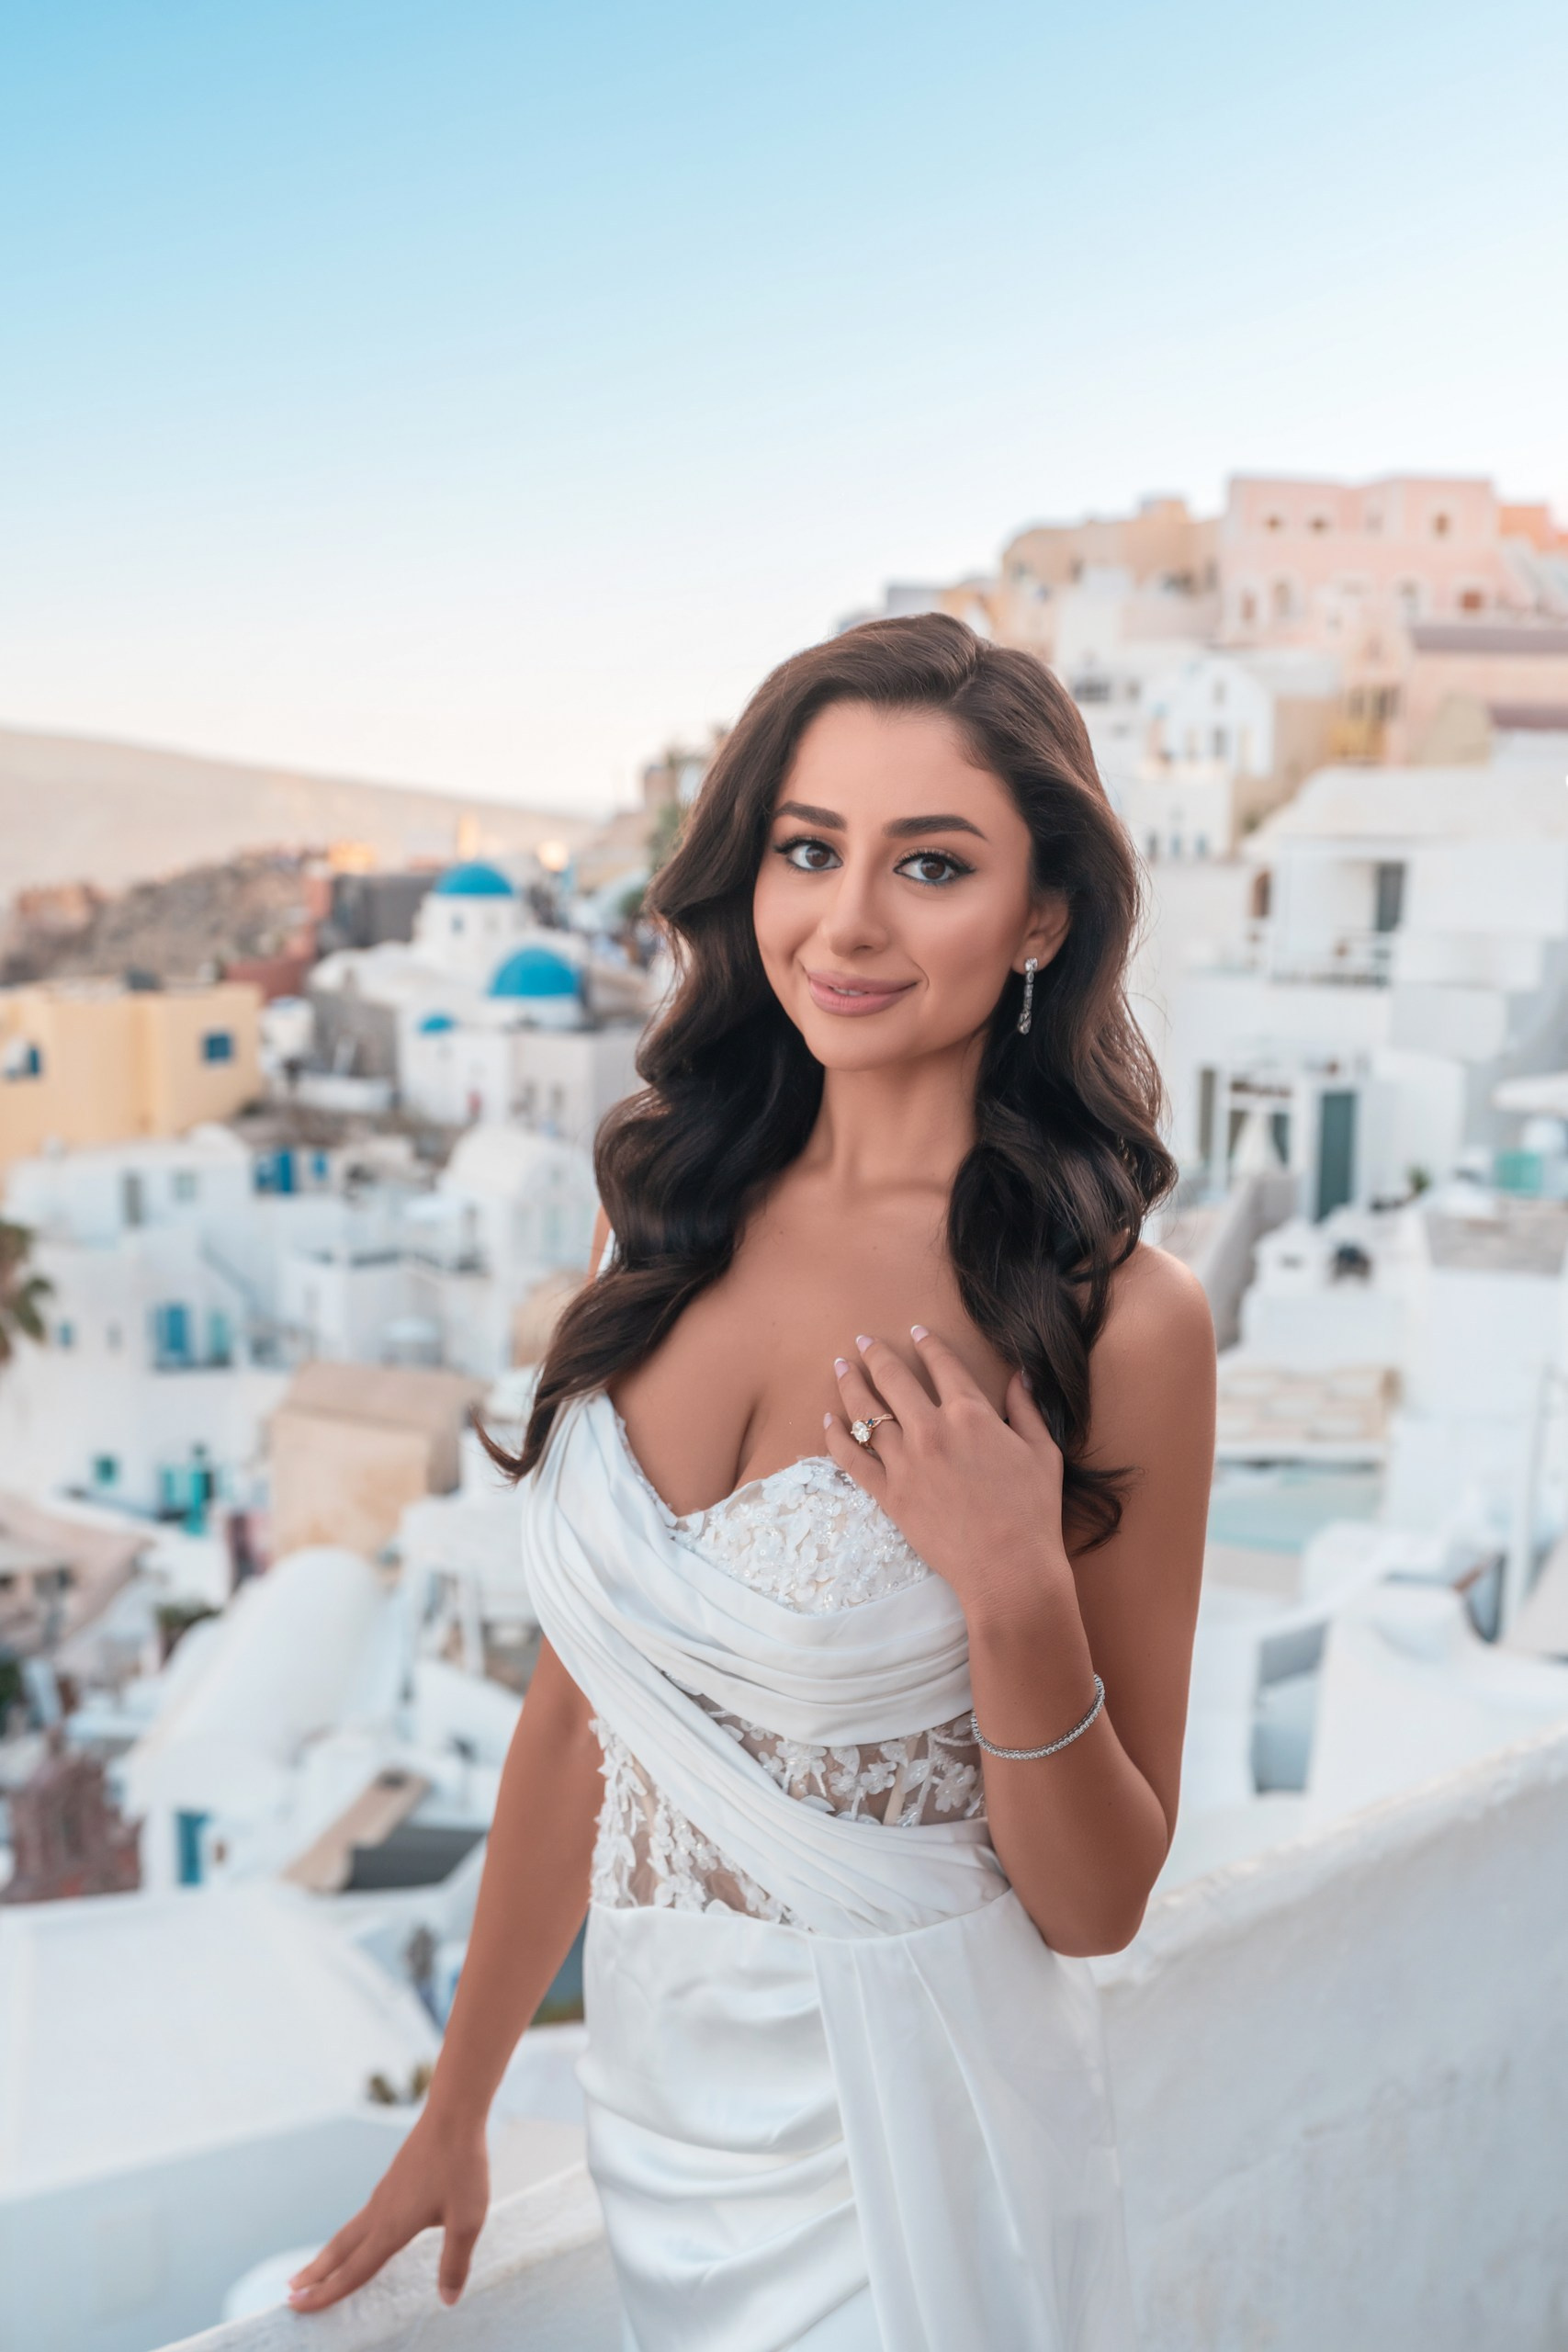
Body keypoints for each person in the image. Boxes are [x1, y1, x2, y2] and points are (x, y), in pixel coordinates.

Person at [288, 614, 1215, 2348]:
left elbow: (1097, 1907)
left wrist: (1013, 1588)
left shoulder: (1119, 1320)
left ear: (1041, 915)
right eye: (809, 850)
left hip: (913, 2129)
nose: (846, 922)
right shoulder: (659, 1213)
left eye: (929, 865)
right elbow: (584, 1719)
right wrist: (458, 2103)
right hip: (658, 2119)